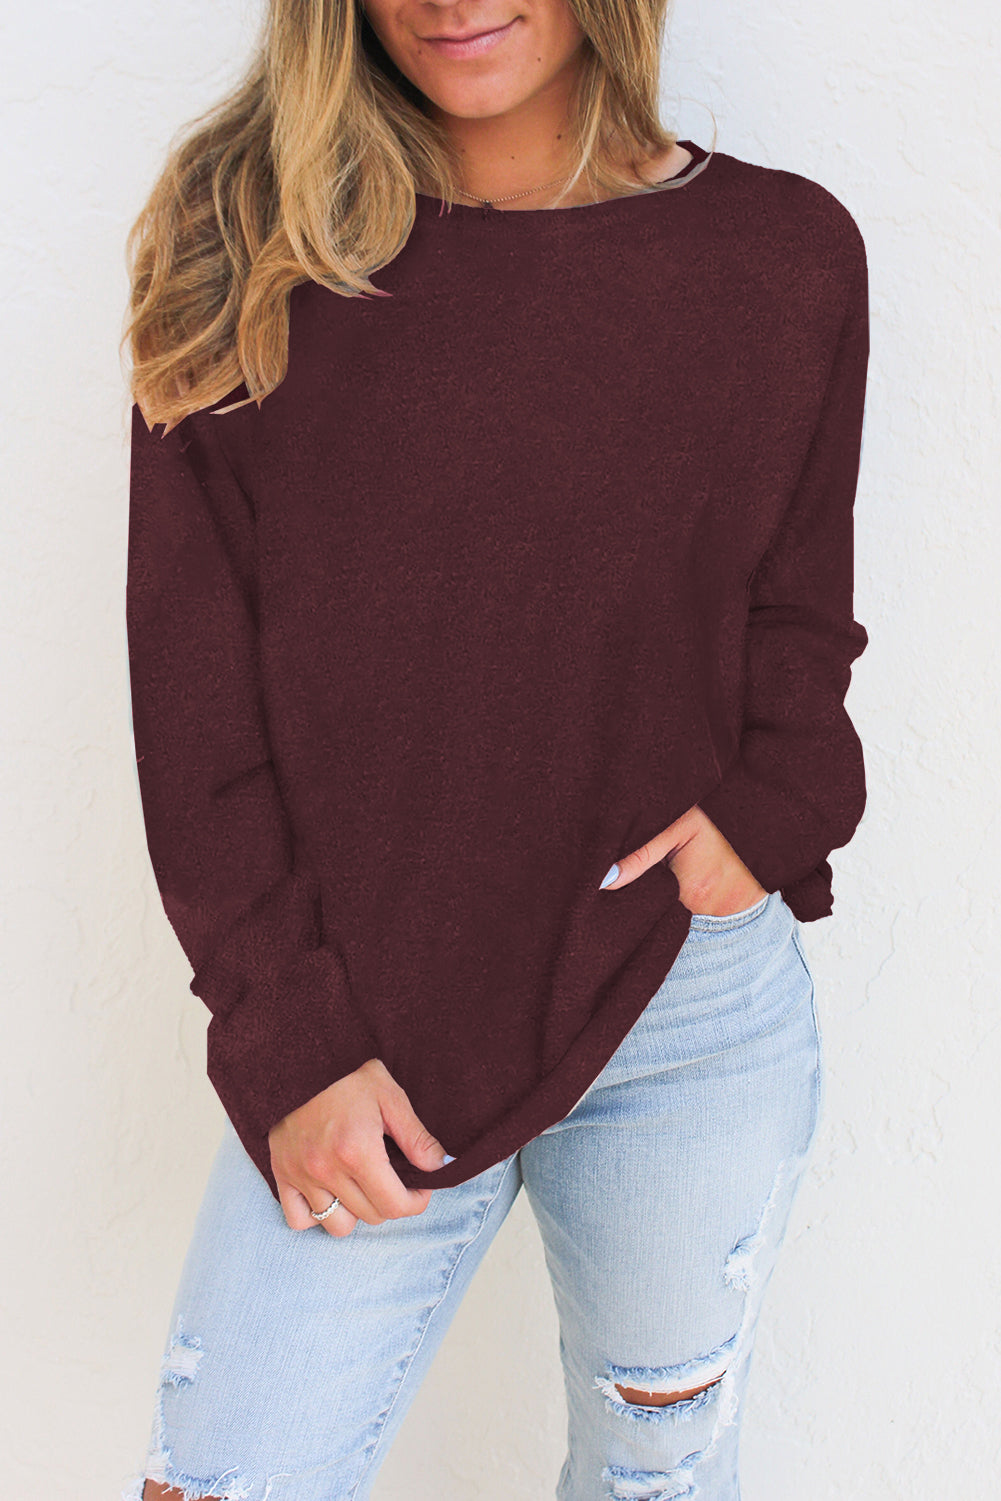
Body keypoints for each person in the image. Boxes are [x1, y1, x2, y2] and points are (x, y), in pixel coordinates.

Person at [120, 2, 870, 1498]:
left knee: (657, 1479)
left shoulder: (780, 256)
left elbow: (796, 613)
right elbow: (192, 700)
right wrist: (288, 1036)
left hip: (683, 1011)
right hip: (367, 1028)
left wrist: (771, 811)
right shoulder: (252, 247)